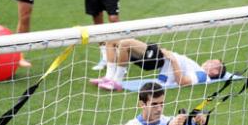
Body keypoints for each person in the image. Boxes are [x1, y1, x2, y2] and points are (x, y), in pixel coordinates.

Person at [94, 38, 226, 91]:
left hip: (161, 59)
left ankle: (117, 81)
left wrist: (173, 59)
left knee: (126, 43)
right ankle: (109, 77)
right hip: (160, 58)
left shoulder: (203, 76)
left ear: (215, 72)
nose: (210, 61)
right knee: (112, 41)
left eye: (214, 63)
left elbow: (182, 81)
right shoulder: (197, 67)